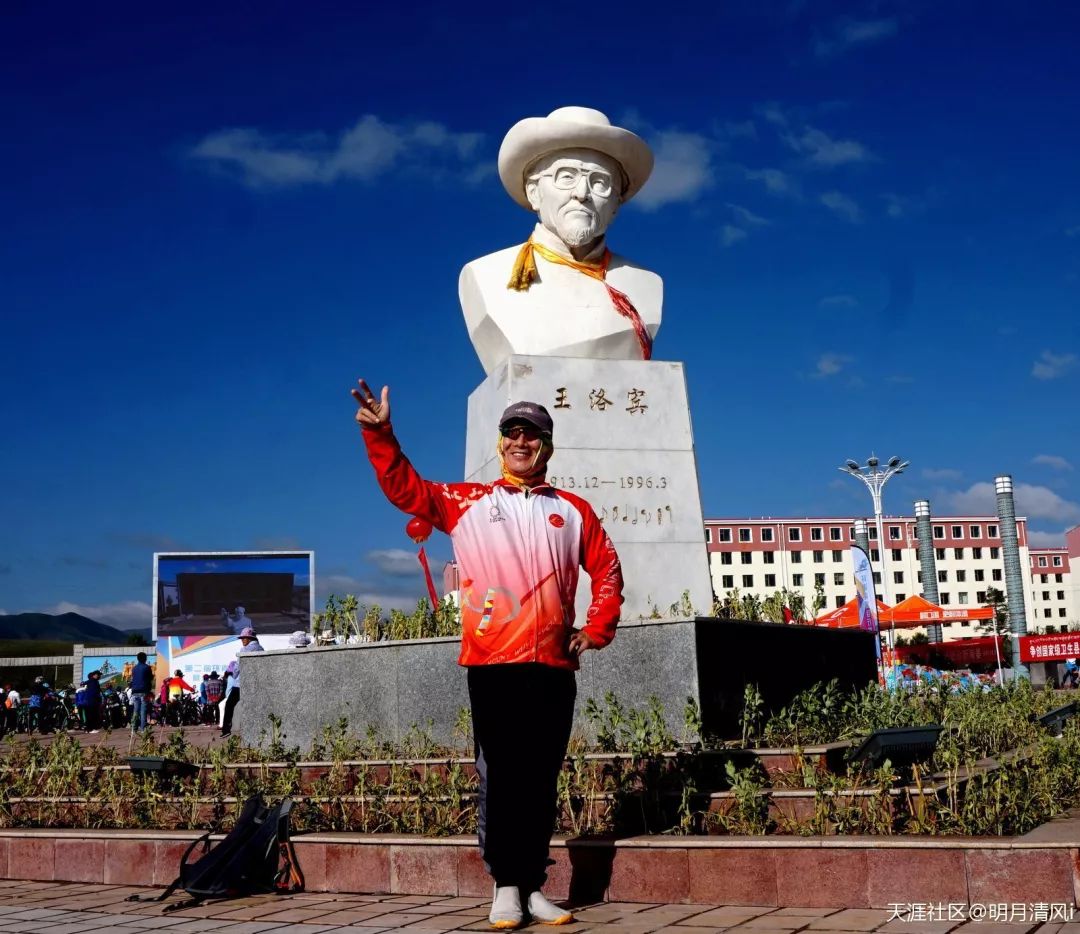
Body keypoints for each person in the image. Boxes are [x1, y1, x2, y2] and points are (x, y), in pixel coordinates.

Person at [353, 380, 623, 929]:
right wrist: (381, 433)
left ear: (547, 446)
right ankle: (505, 884)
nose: (521, 441)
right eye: (512, 432)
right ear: (501, 444)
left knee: (542, 776)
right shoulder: (466, 503)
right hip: (493, 663)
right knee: (501, 775)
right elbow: (403, 488)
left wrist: (595, 631)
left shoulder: (573, 511)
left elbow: (609, 572)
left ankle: (533, 886)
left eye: (532, 434)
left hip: (552, 665)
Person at [459, 106, 659, 376]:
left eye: (600, 182)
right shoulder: (485, 275)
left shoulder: (646, 283)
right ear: (534, 192)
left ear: (616, 204)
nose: (581, 193)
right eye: (566, 176)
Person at [220, 627, 264, 737]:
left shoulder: (244, 650)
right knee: (253, 706)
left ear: (250, 638)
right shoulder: (261, 649)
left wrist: (234, 676)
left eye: (244, 638)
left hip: (240, 684)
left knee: (229, 704)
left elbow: (237, 667)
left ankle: (226, 730)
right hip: (254, 683)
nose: (242, 640)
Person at [128, 651, 154, 731]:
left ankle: (134, 728)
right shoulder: (147, 667)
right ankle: (143, 729)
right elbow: (150, 678)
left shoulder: (134, 668)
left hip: (135, 691)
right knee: (143, 711)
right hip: (144, 691)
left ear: (137, 659)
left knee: (136, 710)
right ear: (145, 659)